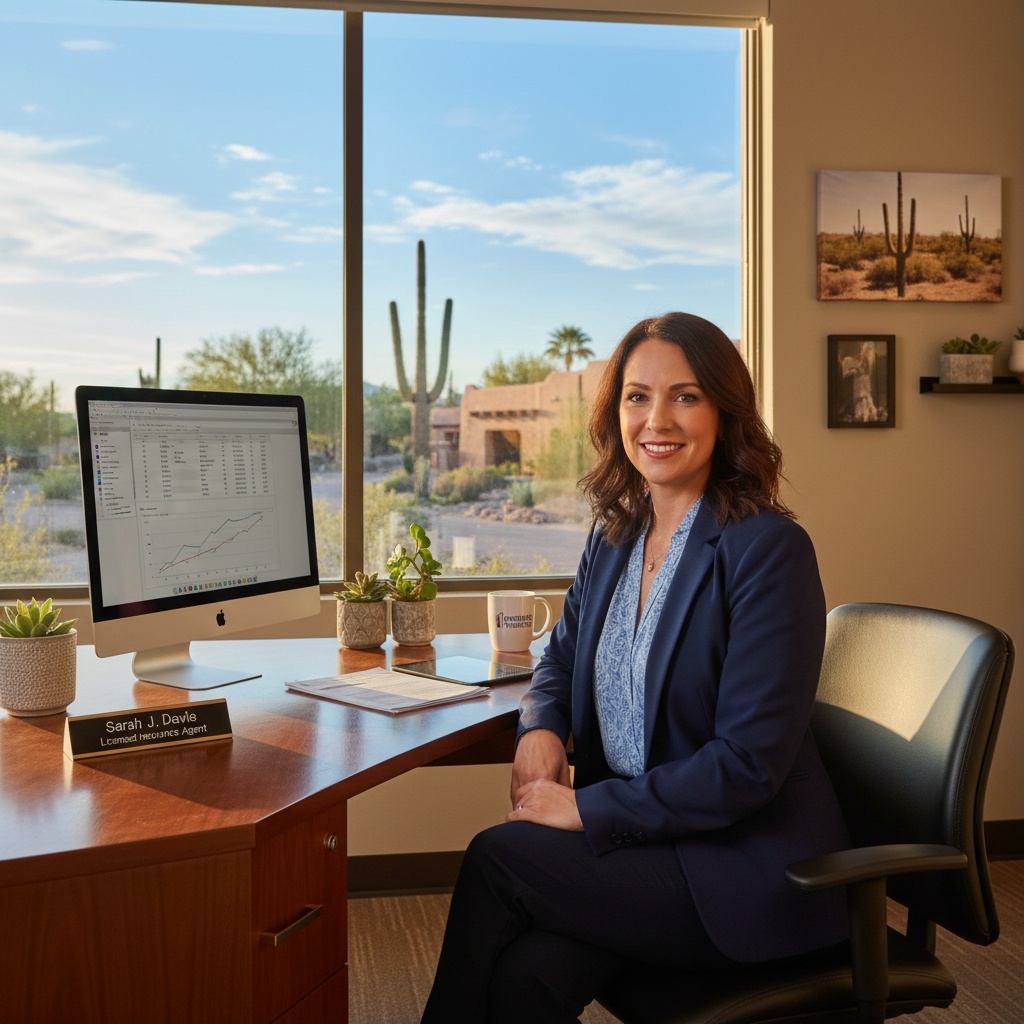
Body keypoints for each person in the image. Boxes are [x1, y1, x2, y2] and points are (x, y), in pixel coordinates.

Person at [420, 312, 850, 1024]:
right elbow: (560, 655)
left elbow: (745, 766)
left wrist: (584, 806)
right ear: (615, 411)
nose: (658, 419)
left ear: (724, 410)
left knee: (498, 860)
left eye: (685, 396)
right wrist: (540, 728)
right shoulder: (618, 533)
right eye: (637, 396)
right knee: (525, 979)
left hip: (738, 868)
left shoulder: (768, 551)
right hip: (647, 846)